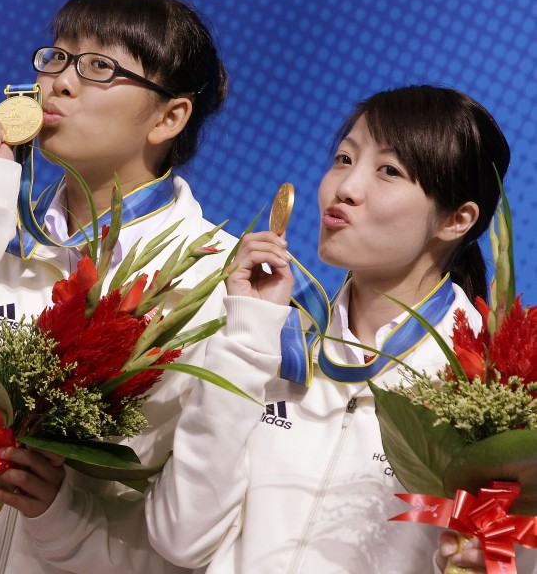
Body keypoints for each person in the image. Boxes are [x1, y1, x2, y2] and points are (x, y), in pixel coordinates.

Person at [0, 0, 279, 573]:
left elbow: (188, 532)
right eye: (57, 57)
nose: (60, 83)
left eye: (99, 67)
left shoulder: (214, 284)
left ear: (169, 117)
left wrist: (61, 512)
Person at [146, 85, 537, 573]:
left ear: (457, 220)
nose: (345, 187)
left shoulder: (493, 384)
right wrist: (247, 338)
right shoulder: (270, 338)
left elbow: (509, 554)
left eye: (388, 171)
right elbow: (179, 538)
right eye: (344, 158)